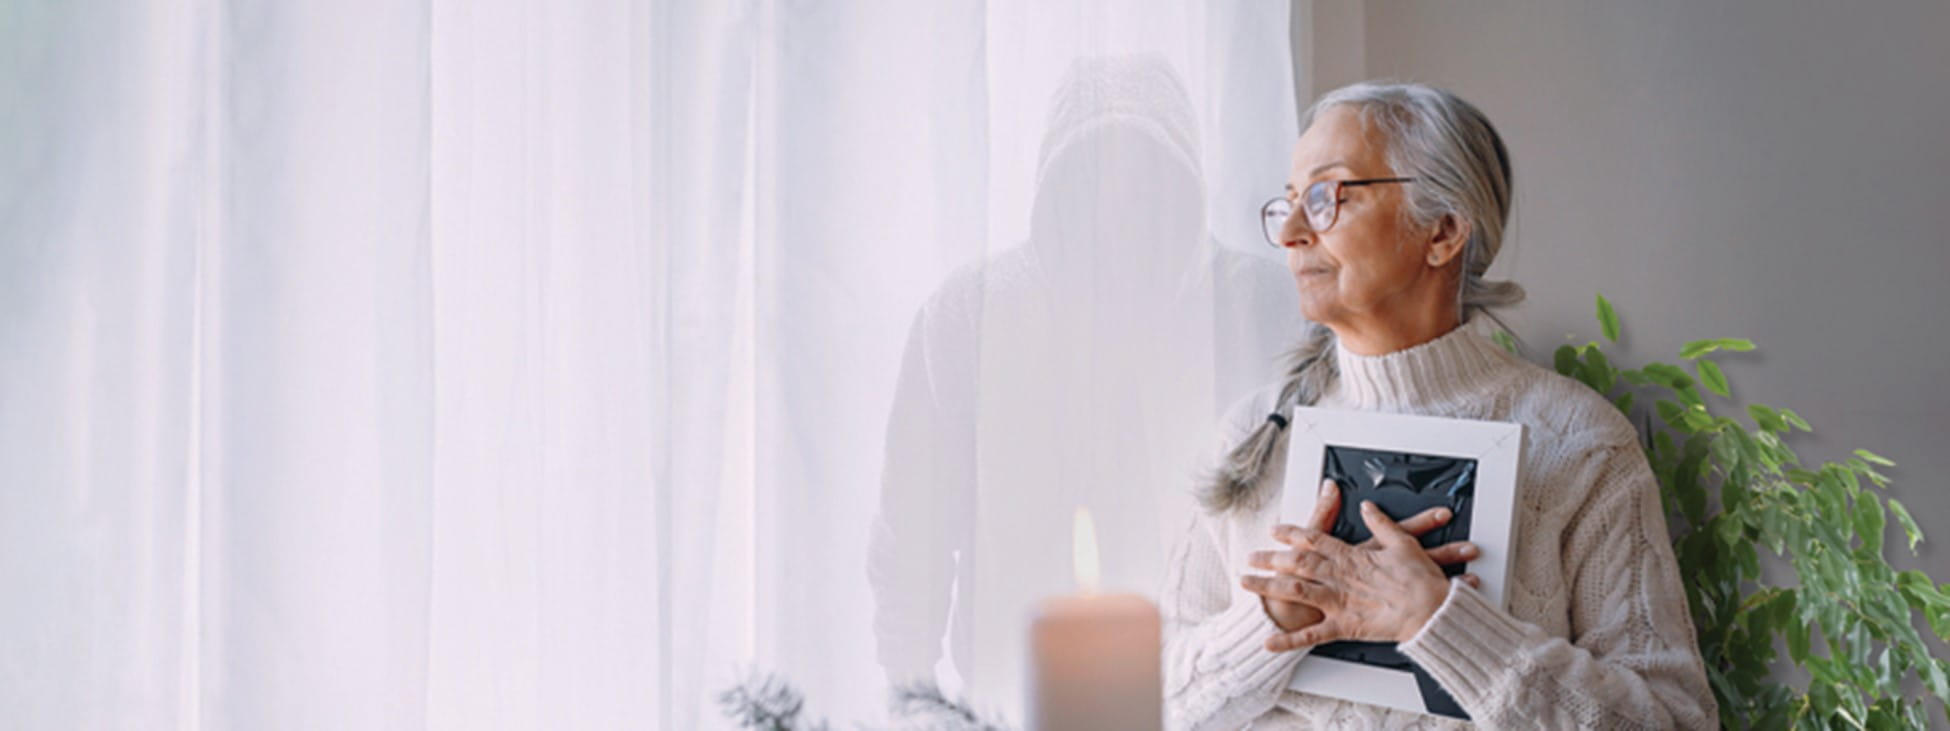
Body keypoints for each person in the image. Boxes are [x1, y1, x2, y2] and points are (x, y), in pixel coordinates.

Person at [1161, 82, 1716, 729]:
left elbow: (1677, 720)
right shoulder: (1249, 435)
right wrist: (1272, 618)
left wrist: (1440, 622)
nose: (1289, 233)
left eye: (1326, 196)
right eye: (1286, 204)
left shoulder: (1580, 444)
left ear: (1444, 230)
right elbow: (1146, 701)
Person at [866, 55, 1299, 720]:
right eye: (1095, 176)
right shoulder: (970, 312)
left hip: (1232, 695)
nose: (1122, 205)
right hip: (1010, 698)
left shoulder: (1264, 306)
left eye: (1148, 179)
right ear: (1056, 185)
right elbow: (912, 534)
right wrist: (913, 693)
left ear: (1185, 183)